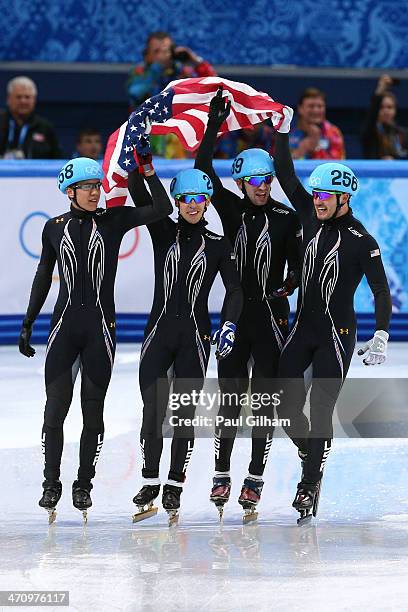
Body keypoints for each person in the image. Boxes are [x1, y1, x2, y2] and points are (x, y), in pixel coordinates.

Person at [18, 155, 172, 522]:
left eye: (97, 186)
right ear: (69, 192)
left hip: (100, 332)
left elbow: (162, 207)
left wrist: (146, 171)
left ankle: (83, 483)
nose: (94, 193)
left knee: (93, 412)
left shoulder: (114, 219)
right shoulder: (53, 228)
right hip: (63, 330)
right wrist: (28, 323)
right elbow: (43, 276)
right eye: (86, 187)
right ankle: (51, 482)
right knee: (55, 409)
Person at [274, 108, 392, 522]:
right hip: (303, 330)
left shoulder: (363, 240)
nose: (319, 200)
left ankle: (308, 485)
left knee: (321, 409)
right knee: (284, 406)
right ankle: (313, 452)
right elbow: (285, 174)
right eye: (317, 194)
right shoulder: (306, 214)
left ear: (344, 199)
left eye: (326, 196)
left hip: (336, 334)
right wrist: (283, 131)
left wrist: (381, 334)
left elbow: (380, 290)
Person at [194, 88, 301, 518]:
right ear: (241, 183)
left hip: (272, 317)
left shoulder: (286, 218)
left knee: (264, 402)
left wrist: (288, 287)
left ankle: (255, 476)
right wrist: (214, 126)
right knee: (231, 398)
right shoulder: (232, 209)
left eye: (267, 180)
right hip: (236, 315)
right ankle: (222, 471)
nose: (263, 187)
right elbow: (203, 169)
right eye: (255, 181)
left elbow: (299, 269)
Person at [127, 166, 243, 523]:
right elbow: (138, 192)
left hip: (195, 337)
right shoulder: (162, 230)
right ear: (176, 201)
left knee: (183, 415)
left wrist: (229, 324)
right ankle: (150, 481)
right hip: (158, 334)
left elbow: (236, 290)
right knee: (152, 409)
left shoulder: (219, 245)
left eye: (199, 199)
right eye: (185, 199)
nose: (192, 205)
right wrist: (142, 166)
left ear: (207, 202)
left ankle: (175, 483)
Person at [127, 31, 216, 159]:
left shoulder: (183, 71)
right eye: (157, 51)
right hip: (147, 144)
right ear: (147, 55)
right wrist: (156, 69)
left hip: (180, 146)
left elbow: (213, 84)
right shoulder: (140, 72)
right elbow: (135, 94)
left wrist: (195, 61)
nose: (164, 55)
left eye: (167, 50)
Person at [0, 76, 62, 159]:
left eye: (27, 97)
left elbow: (57, 160)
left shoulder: (45, 128)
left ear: (34, 100)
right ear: (8, 99)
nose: (23, 101)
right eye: (18, 97)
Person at [288, 87, 345, 160]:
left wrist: (316, 150)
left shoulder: (333, 132)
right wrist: (302, 149)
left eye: (320, 106)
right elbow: (277, 162)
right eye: (311, 106)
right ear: (300, 109)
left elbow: (337, 165)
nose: (316, 110)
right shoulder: (286, 130)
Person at [361, 74, 408, 159]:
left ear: (395, 110)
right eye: (381, 107)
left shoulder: (403, 134)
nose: (386, 111)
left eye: (390, 107)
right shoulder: (370, 132)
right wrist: (380, 89)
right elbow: (372, 114)